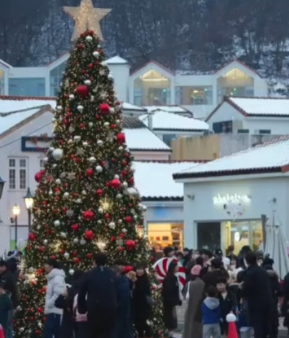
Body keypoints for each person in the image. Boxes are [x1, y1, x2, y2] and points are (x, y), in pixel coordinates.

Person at [78, 253, 118, 338]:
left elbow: (82, 293)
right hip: (109, 309)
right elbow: (117, 291)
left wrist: (82, 309)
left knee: (94, 333)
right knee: (107, 333)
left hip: (94, 309)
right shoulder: (112, 274)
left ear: (94, 262)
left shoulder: (89, 274)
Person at [242, 252, 273, 338]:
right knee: (265, 324)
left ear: (246, 261)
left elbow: (248, 289)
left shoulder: (249, 273)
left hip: (255, 303)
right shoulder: (262, 271)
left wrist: (242, 291)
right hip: (267, 301)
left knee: (257, 325)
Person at [44, 259, 66, 338]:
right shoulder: (52, 277)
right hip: (52, 311)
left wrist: (50, 303)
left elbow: (59, 293)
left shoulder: (57, 278)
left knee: (51, 333)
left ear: (51, 266)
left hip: (55, 310)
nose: (44, 266)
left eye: (46, 264)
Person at [182, 265, 205, 338]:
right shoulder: (204, 283)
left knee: (189, 323)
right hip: (201, 308)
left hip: (190, 307)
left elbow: (184, 295)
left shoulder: (189, 284)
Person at [262, 257, 282, 338]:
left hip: (262, 303)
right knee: (273, 323)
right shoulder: (274, 276)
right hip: (273, 302)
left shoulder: (260, 275)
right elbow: (280, 291)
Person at [162, 261, 181, 338]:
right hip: (169, 302)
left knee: (173, 319)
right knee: (170, 319)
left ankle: (171, 334)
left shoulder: (174, 277)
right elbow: (168, 291)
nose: (178, 268)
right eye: (176, 267)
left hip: (173, 302)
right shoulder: (169, 278)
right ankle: (169, 334)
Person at [0, 260, 18, 338]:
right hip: (7, 304)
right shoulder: (5, 275)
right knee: (8, 325)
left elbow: (2, 289)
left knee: (6, 325)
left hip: (7, 305)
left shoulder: (6, 276)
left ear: (4, 267)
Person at [133, 265, 152, 338]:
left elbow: (145, 292)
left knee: (143, 324)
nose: (139, 271)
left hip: (144, 306)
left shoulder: (145, 280)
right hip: (135, 305)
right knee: (137, 324)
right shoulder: (133, 279)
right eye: (138, 269)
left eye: (141, 269)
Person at [114, 265, 132, 338]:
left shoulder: (121, 281)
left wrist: (116, 306)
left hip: (120, 310)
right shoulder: (123, 280)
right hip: (123, 310)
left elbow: (123, 297)